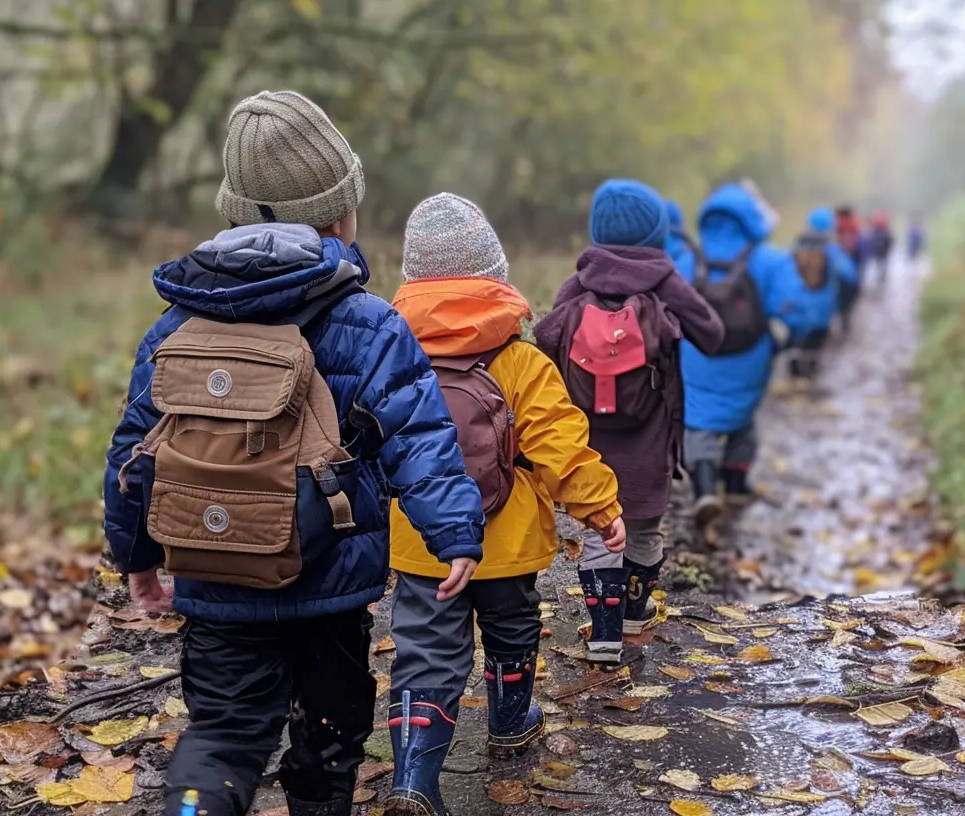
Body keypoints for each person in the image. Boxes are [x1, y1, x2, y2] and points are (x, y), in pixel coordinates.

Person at [102, 92, 485, 816]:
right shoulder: (369, 322)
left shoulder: (178, 324)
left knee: (220, 737)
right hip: (329, 582)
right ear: (340, 212)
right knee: (330, 741)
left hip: (215, 581)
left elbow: (134, 453)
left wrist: (138, 557)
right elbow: (421, 438)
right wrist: (456, 534)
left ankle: (193, 807)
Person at [384, 193, 626, 816]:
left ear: (412, 280)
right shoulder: (520, 362)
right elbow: (559, 445)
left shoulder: (391, 356)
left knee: (425, 652)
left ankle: (414, 777)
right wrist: (601, 507)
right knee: (512, 629)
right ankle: (511, 721)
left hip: (421, 542)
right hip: (508, 543)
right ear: (496, 277)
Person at [534, 179, 723, 661]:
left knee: (602, 527)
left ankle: (603, 634)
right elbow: (714, 334)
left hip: (590, 441)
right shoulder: (664, 282)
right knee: (642, 528)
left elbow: (547, 336)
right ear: (656, 234)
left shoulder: (579, 283)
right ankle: (636, 610)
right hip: (649, 436)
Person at [677, 181, 818, 525]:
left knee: (699, 421)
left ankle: (705, 487)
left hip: (696, 356)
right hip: (750, 357)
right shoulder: (769, 259)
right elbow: (798, 310)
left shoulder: (686, 259)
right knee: (742, 419)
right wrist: (788, 341)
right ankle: (737, 484)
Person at [787, 207, 846, 379]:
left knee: (796, 340)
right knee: (816, 343)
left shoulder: (796, 245)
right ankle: (811, 372)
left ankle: (794, 370)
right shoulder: (832, 249)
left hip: (797, 304)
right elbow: (848, 273)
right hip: (824, 306)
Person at [833, 205, 865, 334]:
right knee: (850, 289)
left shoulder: (840, 225)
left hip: (843, 261)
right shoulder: (854, 225)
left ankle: (842, 315)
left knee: (840, 290)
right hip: (853, 262)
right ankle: (846, 316)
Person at [870, 211, 895, 285]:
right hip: (879, 250)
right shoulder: (877, 230)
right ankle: (881, 276)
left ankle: (882, 277)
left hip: (883, 250)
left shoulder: (885, 230)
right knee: (879, 263)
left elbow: (889, 240)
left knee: (882, 264)